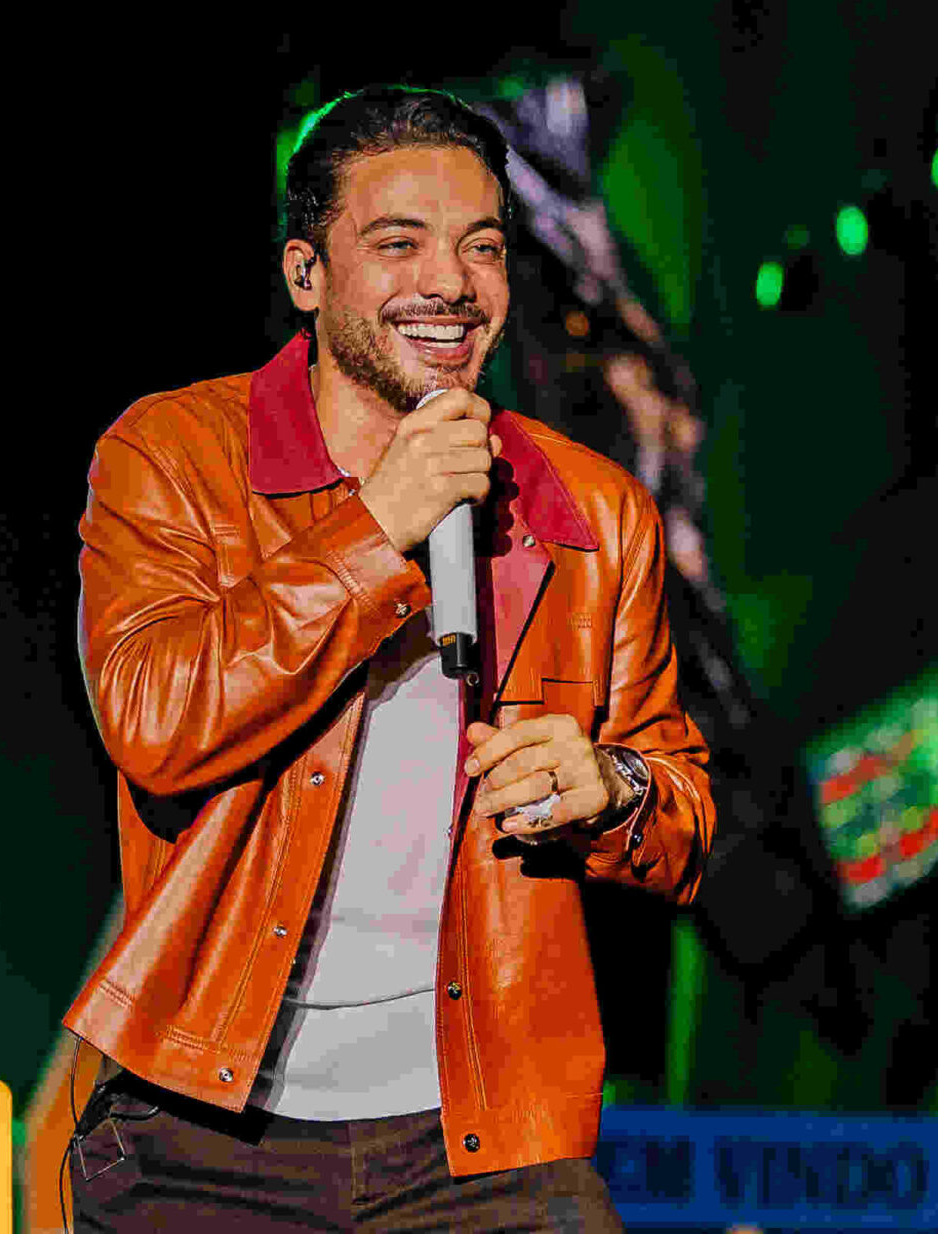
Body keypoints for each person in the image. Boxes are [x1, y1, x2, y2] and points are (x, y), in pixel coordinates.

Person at [62, 85, 715, 1232]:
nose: (450, 282)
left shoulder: (594, 510)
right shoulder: (175, 454)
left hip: (479, 1138)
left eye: (481, 247)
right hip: (204, 1129)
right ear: (306, 274)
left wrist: (610, 788)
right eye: (399, 243)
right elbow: (154, 724)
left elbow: (685, 816)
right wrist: (374, 529)